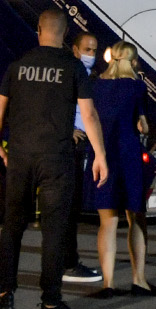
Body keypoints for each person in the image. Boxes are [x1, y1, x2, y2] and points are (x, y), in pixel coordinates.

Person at [0, 9, 108, 309]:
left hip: (20, 157)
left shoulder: (18, 65)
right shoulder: (73, 67)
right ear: (65, 34)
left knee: (12, 227)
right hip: (56, 158)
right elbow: (89, 115)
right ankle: (51, 304)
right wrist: (100, 155)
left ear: (39, 29)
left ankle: (4, 297)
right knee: (54, 230)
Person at [85, 43, 156, 297]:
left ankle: (108, 283)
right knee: (135, 217)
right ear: (133, 61)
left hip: (103, 154)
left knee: (107, 222)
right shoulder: (137, 86)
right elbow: (144, 126)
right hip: (128, 155)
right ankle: (139, 280)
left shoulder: (96, 85)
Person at [57, 30, 103, 287]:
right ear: (74, 50)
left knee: (73, 207)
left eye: (94, 50)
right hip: (70, 145)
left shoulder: (88, 75)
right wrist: (68, 130)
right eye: (87, 49)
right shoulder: (70, 73)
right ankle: (67, 263)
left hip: (82, 142)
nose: (91, 54)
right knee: (68, 207)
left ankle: (67, 261)